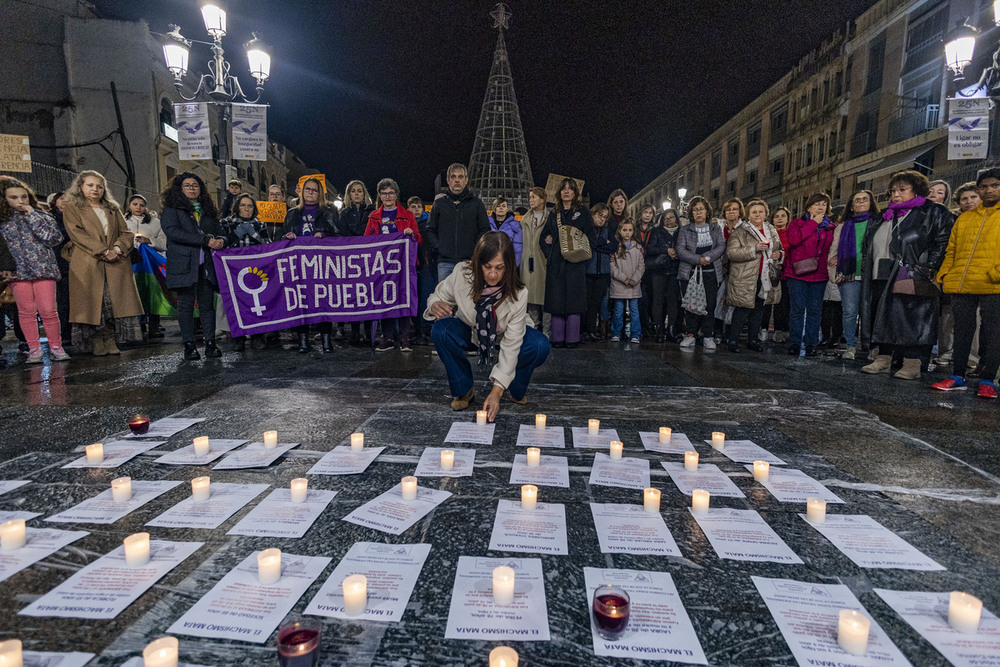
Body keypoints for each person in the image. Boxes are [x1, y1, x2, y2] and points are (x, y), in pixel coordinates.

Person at [426, 231, 550, 418]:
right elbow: (438, 295)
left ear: (509, 266)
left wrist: (496, 392)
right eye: (487, 267)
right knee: (442, 330)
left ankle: (515, 386)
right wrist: (435, 304)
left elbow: (512, 345)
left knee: (539, 345)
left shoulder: (519, 293)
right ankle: (464, 389)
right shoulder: (462, 273)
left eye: (500, 268)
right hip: (472, 329)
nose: (493, 274)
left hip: (505, 333)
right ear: (478, 263)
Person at [860, 170, 953, 379]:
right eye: (893, 190)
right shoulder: (886, 214)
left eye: (902, 190)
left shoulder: (933, 211)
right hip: (881, 272)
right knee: (882, 316)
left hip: (912, 272)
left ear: (917, 190)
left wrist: (929, 267)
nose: (895, 194)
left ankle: (912, 363)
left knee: (912, 318)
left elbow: (942, 241)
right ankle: (883, 358)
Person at [932, 168, 1000, 398]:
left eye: (994, 185)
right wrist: (945, 274)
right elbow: (951, 250)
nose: (989, 190)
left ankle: (988, 379)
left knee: (993, 333)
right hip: (961, 284)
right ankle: (957, 375)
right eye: (984, 186)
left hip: (994, 285)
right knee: (962, 331)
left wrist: (997, 274)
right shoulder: (965, 218)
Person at [62, 170, 143, 356]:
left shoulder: (112, 208)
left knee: (114, 302)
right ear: (81, 186)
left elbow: (126, 233)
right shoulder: (73, 208)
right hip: (88, 261)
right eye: (90, 185)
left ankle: (111, 337)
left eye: (99, 186)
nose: (95, 189)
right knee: (93, 303)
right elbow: (76, 234)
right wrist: (102, 250)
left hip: (115, 261)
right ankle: (97, 340)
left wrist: (116, 249)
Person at [0, 178, 69, 362]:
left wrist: (32, 214)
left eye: (23, 196)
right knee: (26, 311)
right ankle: (34, 349)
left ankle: (56, 346)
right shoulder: (3, 220)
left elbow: (53, 238)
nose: (20, 201)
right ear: (5, 199)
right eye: (13, 197)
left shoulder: (42, 215)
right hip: (18, 271)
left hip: (43, 267)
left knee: (48, 310)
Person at [160, 172, 225, 361]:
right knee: (186, 305)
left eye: (195, 185)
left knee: (207, 305)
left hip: (206, 265)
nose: (192, 188)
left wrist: (220, 240)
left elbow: (219, 232)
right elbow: (172, 232)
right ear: (180, 188)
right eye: (187, 185)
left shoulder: (207, 210)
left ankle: (210, 344)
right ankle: (189, 345)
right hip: (183, 264)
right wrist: (206, 240)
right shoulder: (172, 209)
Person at [282, 176, 337, 353]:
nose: (311, 193)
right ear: (302, 192)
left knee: (323, 300)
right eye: (308, 189)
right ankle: (303, 340)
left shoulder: (329, 211)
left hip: (321, 263)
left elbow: (339, 235)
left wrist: (325, 235)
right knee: (301, 301)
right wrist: (287, 237)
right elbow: (282, 238)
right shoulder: (292, 213)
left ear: (319, 193)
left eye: (314, 190)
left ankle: (326, 339)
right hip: (299, 264)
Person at [365, 178, 421, 352]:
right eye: (384, 193)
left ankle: (405, 337)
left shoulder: (408, 215)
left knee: (403, 299)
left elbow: (418, 239)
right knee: (386, 300)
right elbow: (367, 240)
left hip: (403, 266)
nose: (387, 196)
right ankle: (387, 337)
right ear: (380, 196)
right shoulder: (374, 216)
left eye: (391, 193)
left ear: (396, 194)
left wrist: (411, 234)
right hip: (382, 267)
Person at [540, 177, 595, 348]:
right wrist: (551, 251)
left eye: (570, 188)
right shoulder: (554, 213)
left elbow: (590, 237)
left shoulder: (583, 212)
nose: (566, 191)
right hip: (557, 265)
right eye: (563, 188)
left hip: (575, 265)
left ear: (575, 193)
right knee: (556, 302)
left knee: (574, 302)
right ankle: (556, 338)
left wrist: (581, 256)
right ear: (559, 193)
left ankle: (572, 338)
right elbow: (544, 237)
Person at [935, 182, 982, 368]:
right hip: (955, 277)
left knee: (974, 322)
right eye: (964, 198)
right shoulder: (955, 221)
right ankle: (946, 352)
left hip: (979, 279)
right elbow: (950, 251)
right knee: (948, 318)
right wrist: (944, 274)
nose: (969, 201)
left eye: (973, 197)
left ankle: (972, 357)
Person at [726, 200, 783, 353]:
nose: (758, 214)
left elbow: (779, 249)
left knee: (759, 309)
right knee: (742, 309)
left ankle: (753, 339)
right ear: (748, 215)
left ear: (765, 213)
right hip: (745, 276)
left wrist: (779, 255)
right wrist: (754, 248)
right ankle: (733, 340)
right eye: (754, 212)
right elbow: (731, 253)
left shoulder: (771, 230)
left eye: (760, 211)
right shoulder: (740, 231)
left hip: (765, 275)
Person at [829, 190, 879, 360]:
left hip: (871, 275)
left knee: (871, 312)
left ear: (871, 202)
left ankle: (873, 347)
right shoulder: (843, 226)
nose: (861, 202)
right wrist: (834, 258)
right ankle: (851, 346)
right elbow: (833, 249)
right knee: (849, 311)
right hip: (848, 274)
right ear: (851, 205)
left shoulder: (878, 223)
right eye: (857, 200)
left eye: (865, 199)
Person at [784, 193, 836, 356]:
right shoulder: (797, 223)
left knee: (815, 310)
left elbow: (833, 247)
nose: (820, 207)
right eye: (816, 204)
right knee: (797, 309)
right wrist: (813, 223)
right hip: (797, 273)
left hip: (819, 274)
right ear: (808, 207)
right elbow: (794, 240)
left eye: (824, 204)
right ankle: (795, 342)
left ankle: (811, 343)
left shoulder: (831, 226)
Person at [426, 163, 490, 282]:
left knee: (467, 299)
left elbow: (485, 229)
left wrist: (474, 248)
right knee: (445, 299)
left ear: (466, 180)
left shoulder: (476, 204)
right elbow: (430, 230)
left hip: (468, 262)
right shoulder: (439, 204)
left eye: (460, 177)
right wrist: (440, 247)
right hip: (445, 263)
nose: (456, 180)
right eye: (453, 177)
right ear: (448, 180)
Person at [677, 196, 726, 350]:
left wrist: (708, 258)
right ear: (691, 212)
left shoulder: (715, 229)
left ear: (707, 211)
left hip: (711, 273)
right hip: (690, 272)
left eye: (701, 209)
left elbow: (721, 246)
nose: (698, 212)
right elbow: (680, 250)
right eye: (695, 209)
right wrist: (698, 259)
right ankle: (690, 334)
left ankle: (707, 335)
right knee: (690, 305)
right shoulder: (685, 230)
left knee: (710, 304)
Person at [124, 194, 167, 341]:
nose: (138, 207)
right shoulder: (123, 222)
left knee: (152, 292)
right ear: (129, 205)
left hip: (150, 265)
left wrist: (149, 240)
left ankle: (154, 325)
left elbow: (164, 243)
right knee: (136, 293)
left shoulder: (155, 223)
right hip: (131, 264)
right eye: (135, 204)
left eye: (141, 205)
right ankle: (139, 325)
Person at [339, 180, 375, 345]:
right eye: (353, 191)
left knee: (368, 295)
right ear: (349, 194)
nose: (357, 193)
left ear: (364, 193)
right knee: (354, 295)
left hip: (368, 259)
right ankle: (354, 332)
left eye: (360, 190)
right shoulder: (344, 213)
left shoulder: (372, 211)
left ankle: (368, 332)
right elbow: (342, 234)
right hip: (351, 259)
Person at [584, 202, 616, 341]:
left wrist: (598, 246)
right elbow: (588, 245)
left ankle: (591, 330)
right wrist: (603, 244)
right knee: (585, 302)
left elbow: (613, 247)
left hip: (602, 273)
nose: (602, 219)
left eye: (604, 217)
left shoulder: (607, 230)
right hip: (587, 271)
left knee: (596, 303)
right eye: (599, 215)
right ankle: (583, 330)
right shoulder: (586, 228)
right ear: (592, 214)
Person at [520, 186, 549, 335]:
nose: (531, 200)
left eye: (534, 197)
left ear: (543, 199)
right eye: (530, 197)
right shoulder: (525, 220)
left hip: (542, 261)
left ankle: (546, 331)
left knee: (544, 297)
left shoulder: (549, 219)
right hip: (527, 261)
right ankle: (533, 329)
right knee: (530, 296)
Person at [610, 219, 644, 344]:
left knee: (635, 310)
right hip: (619, 284)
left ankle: (635, 334)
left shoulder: (638, 248)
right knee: (618, 310)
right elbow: (612, 266)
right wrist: (624, 278)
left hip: (634, 285)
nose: (627, 233)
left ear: (633, 231)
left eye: (630, 230)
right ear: (620, 231)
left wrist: (634, 279)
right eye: (624, 230)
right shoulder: (615, 247)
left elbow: (641, 266)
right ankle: (616, 332)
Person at [408, 196, 435, 345]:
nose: (416, 209)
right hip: (410, 265)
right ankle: (416, 330)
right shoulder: (406, 223)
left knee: (425, 297)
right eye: (413, 206)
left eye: (418, 206)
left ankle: (426, 330)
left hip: (425, 264)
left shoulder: (428, 223)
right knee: (413, 299)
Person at [764, 206, 792, 343]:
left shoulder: (791, 233)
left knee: (783, 304)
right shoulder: (767, 232)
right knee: (767, 302)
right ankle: (763, 329)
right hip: (769, 273)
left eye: (783, 216)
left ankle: (780, 331)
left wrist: (782, 255)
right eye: (777, 216)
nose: (780, 218)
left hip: (786, 273)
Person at [634, 204, 659, 336]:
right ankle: (641, 325)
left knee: (649, 298)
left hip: (650, 267)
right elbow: (627, 242)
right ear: (640, 214)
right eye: (645, 212)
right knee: (640, 298)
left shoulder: (655, 230)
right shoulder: (635, 228)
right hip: (636, 266)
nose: (648, 215)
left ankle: (649, 324)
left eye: (650, 212)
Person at [659, 209, 683, 342]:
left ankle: (672, 330)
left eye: (671, 218)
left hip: (676, 271)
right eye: (666, 218)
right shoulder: (658, 232)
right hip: (660, 271)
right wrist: (666, 251)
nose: (669, 221)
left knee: (673, 302)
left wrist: (678, 253)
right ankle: (660, 330)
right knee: (660, 302)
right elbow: (651, 248)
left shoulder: (681, 232)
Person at [489, 197, 523, 266]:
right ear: (494, 209)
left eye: (503, 206)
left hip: (507, 264)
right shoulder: (487, 224)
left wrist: (514, 265)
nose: (501, 208)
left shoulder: (515, 225)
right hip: (490, 262)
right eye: (498, 206)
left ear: (507, 209)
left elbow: (517, 247)